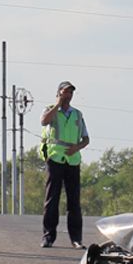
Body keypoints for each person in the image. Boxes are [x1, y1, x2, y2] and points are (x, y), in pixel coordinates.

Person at [40, 80, 89, 248]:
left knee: (74, 201)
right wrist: (57, 105)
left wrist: (77, 147)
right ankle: (48, 236)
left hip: (72, 159)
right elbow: (44, 121)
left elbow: (86, 138)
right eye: (65, 92)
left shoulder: (77, 114)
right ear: (59, 93)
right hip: (55, 158)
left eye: (70, 93)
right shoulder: (50, 110)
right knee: (52, 199)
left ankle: (76, 238)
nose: (68, 96)